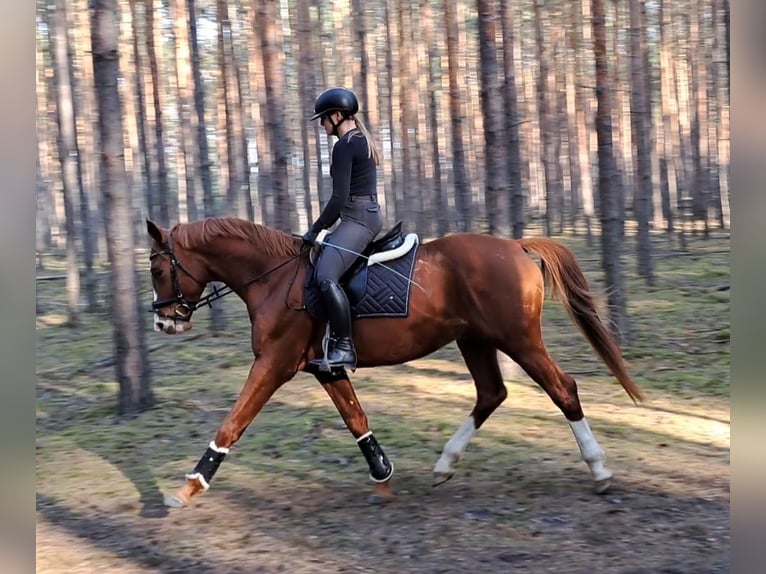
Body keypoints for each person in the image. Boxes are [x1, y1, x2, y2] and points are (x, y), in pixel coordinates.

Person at [302, 87, 383, 370]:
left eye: (324, 118)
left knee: (325, 275)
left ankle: (344, 348)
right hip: (361, 215)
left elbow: (338, 199)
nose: (323, 125)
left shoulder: (346, 145)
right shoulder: (359, 141)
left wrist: (315, 229)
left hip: (359, 219)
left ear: (337, 115)